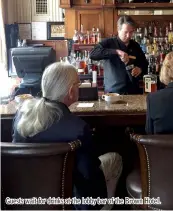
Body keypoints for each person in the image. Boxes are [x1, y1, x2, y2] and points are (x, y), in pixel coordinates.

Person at [12, 62, 122, 210]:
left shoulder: (22, 117)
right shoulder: (78, 128)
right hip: (72, 202)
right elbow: (90, 181)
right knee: (115, 159)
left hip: (26, 199)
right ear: (71, 91)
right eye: (78, 83)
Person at [89, 15, 148, 95]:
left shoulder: (135, 45)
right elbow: (92, 54)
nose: (128, 35)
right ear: (118, 30)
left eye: (131, 32)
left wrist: (140, 69)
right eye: (126, 32)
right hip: (113, 91)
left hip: (133, 91)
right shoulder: (109, 43)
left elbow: (144, 63)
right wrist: (116, 52)